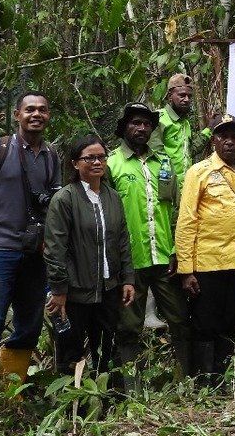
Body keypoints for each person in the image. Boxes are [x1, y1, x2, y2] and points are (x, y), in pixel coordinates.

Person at [176, 114, 235, 386]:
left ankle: (223, 379)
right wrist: (186, 270)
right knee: (206, 324)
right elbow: (187, 221)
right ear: (214, 140)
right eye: (222, 136)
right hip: (207, 264)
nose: (228, 142)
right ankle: (204, 383)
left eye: (234, 136)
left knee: (232, 320)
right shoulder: (199, 172)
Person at [0, 90, 61, 382]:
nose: (36, 114)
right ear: (17, 115)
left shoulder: (51, 156)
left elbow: (54, 204)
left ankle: (11, 390)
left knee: (29, 324)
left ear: (48, 116)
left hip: (35, 252)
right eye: (30, 110)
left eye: (42, 110)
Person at [107, 102, 193, 376]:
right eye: (135, 122)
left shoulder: (164, 162)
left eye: (146, 123)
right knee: (129, 326)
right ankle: (130, 385)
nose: (141, 128)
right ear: (124, 128)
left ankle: (187, 379)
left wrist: (178, 250)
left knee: (180, 318)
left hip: (165, 256)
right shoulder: (111, 164)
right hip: (130, 261)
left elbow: (177, 209)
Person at [44, 135, 137, 376]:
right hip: (75, 291)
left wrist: (127, 279)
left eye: (101, 157)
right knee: (71, 349)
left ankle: (103, 400)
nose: (97, 162)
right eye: (89, 158)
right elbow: (55, 248)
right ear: (76, 163)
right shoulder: (65, 198)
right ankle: (73, 403)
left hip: (108, 288)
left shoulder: (112, 197)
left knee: (106, 346)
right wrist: (59, 290)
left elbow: (122, 240)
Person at [150, 73, 200, 181]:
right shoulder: (159, 119)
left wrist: (209, 130)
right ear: (170, 96)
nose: (187, 99)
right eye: (182, 95)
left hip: (186, 186)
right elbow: (154, 158)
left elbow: (189, 151)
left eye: (189, 96)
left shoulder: (185, 123)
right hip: (166, 187)